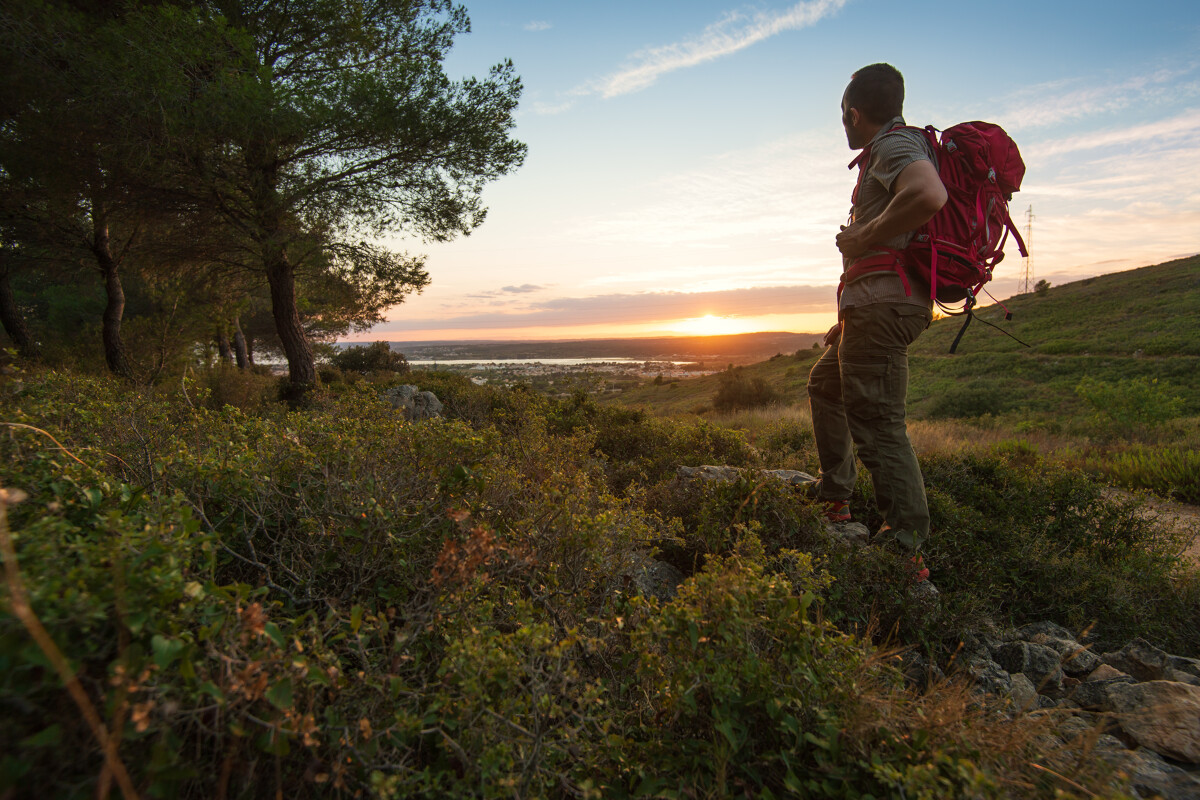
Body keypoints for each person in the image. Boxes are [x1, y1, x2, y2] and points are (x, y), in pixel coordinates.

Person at [806, 63, 946, 581]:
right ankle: (834, 495)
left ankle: (905, 545)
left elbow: (929, 195)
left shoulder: (894, 147)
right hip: (873, 306)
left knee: (877, 419)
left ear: (853, 112)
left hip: (887, 305)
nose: (843, 126)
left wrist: (864, 237)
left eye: (843, 117)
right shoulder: (892, 149)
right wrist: (848, 318)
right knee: (825, 383)